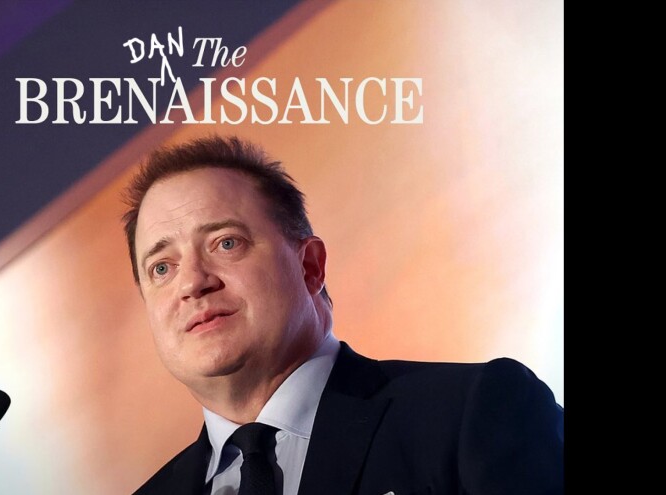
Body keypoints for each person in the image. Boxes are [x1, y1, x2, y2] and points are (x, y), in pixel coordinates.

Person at [121, 135, 564, 495]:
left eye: (226, 243)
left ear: (310, 266)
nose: (193, 283)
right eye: (162, 268)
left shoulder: (472, 414)